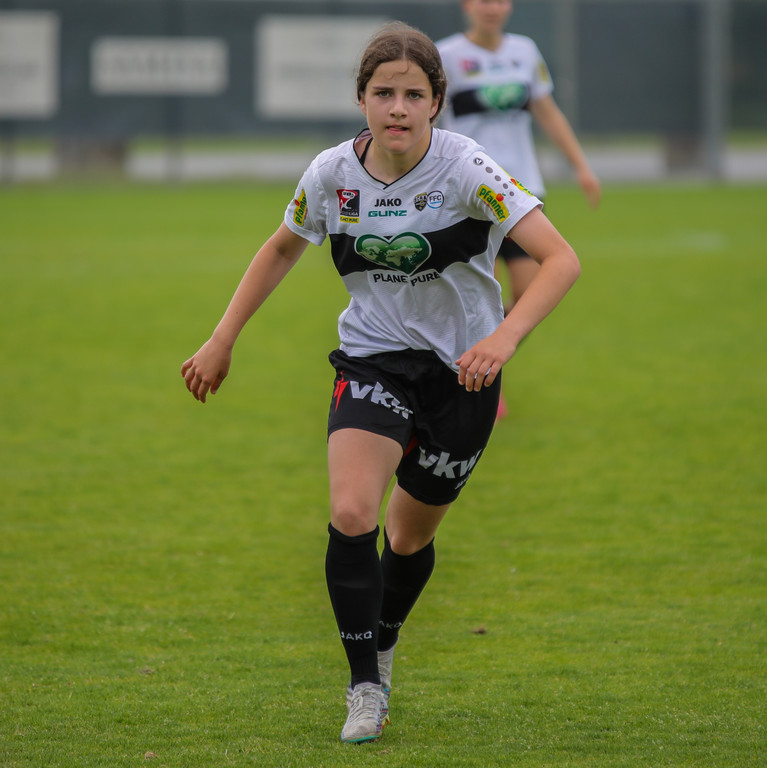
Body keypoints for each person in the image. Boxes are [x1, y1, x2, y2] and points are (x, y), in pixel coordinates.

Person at [181, 21, 580, 744]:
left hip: (463, 375)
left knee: (407, 537)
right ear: (361, 99)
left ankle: (384, 642)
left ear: (436, 103)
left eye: (413, 95)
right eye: (383, 93)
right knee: (352, 512)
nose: (398, 107)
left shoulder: (468, 169)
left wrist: (503, 338)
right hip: (371, 360)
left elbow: (560, 260)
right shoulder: (331, 174)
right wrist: (221, 337)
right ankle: (363, 684)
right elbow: (280, 248)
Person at [437, 0, 600, 418]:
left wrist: (581, 166)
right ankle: (483, 385)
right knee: (484, 298)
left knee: (529, 294)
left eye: (500, 0)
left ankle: (477, 360)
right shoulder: (446, 55)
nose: (492, 7)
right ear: (467, 5)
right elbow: (428, 121)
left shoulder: (524, 51)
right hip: (472, 196)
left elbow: (547, 111)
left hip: (522, 193)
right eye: (483, 0)